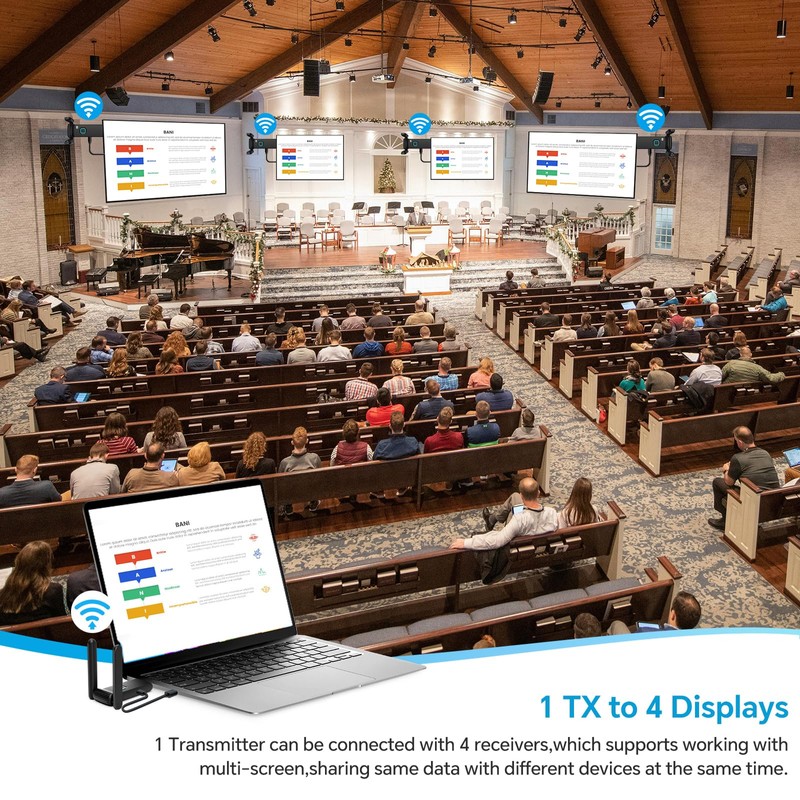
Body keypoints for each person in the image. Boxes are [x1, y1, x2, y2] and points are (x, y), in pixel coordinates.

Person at [451, 478, 558, 550]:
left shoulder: (519, 519)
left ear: (522, 496)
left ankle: (492, 519)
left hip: (518, 543)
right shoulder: (552, 513)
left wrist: (467, 543)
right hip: (536, 543)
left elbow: (497, 541)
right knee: (514, 497)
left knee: (513, 502)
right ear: (538, 493)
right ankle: (491, 519)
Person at [708, 426, 780, 529]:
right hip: (774, 502)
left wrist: (726, 469)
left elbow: (729, 482)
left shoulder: (738, 458)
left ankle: (725, 521)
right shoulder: (765, 453)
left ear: (740, 442)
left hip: (755, 503)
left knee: (717, 482)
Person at [0, 542, 67, 626]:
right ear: (46, 564)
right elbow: (63, 623)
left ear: (19, 563)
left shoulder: (2, 596)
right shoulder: (53, 591)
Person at [278, 427, 322, 514]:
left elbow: (280, 483)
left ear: (292, 442)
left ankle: (288, 506)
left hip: (291, 494)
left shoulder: (285, 462)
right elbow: (320, 477)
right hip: (310, 490)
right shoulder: (315, 458)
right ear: (307, 441)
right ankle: (313, 502)